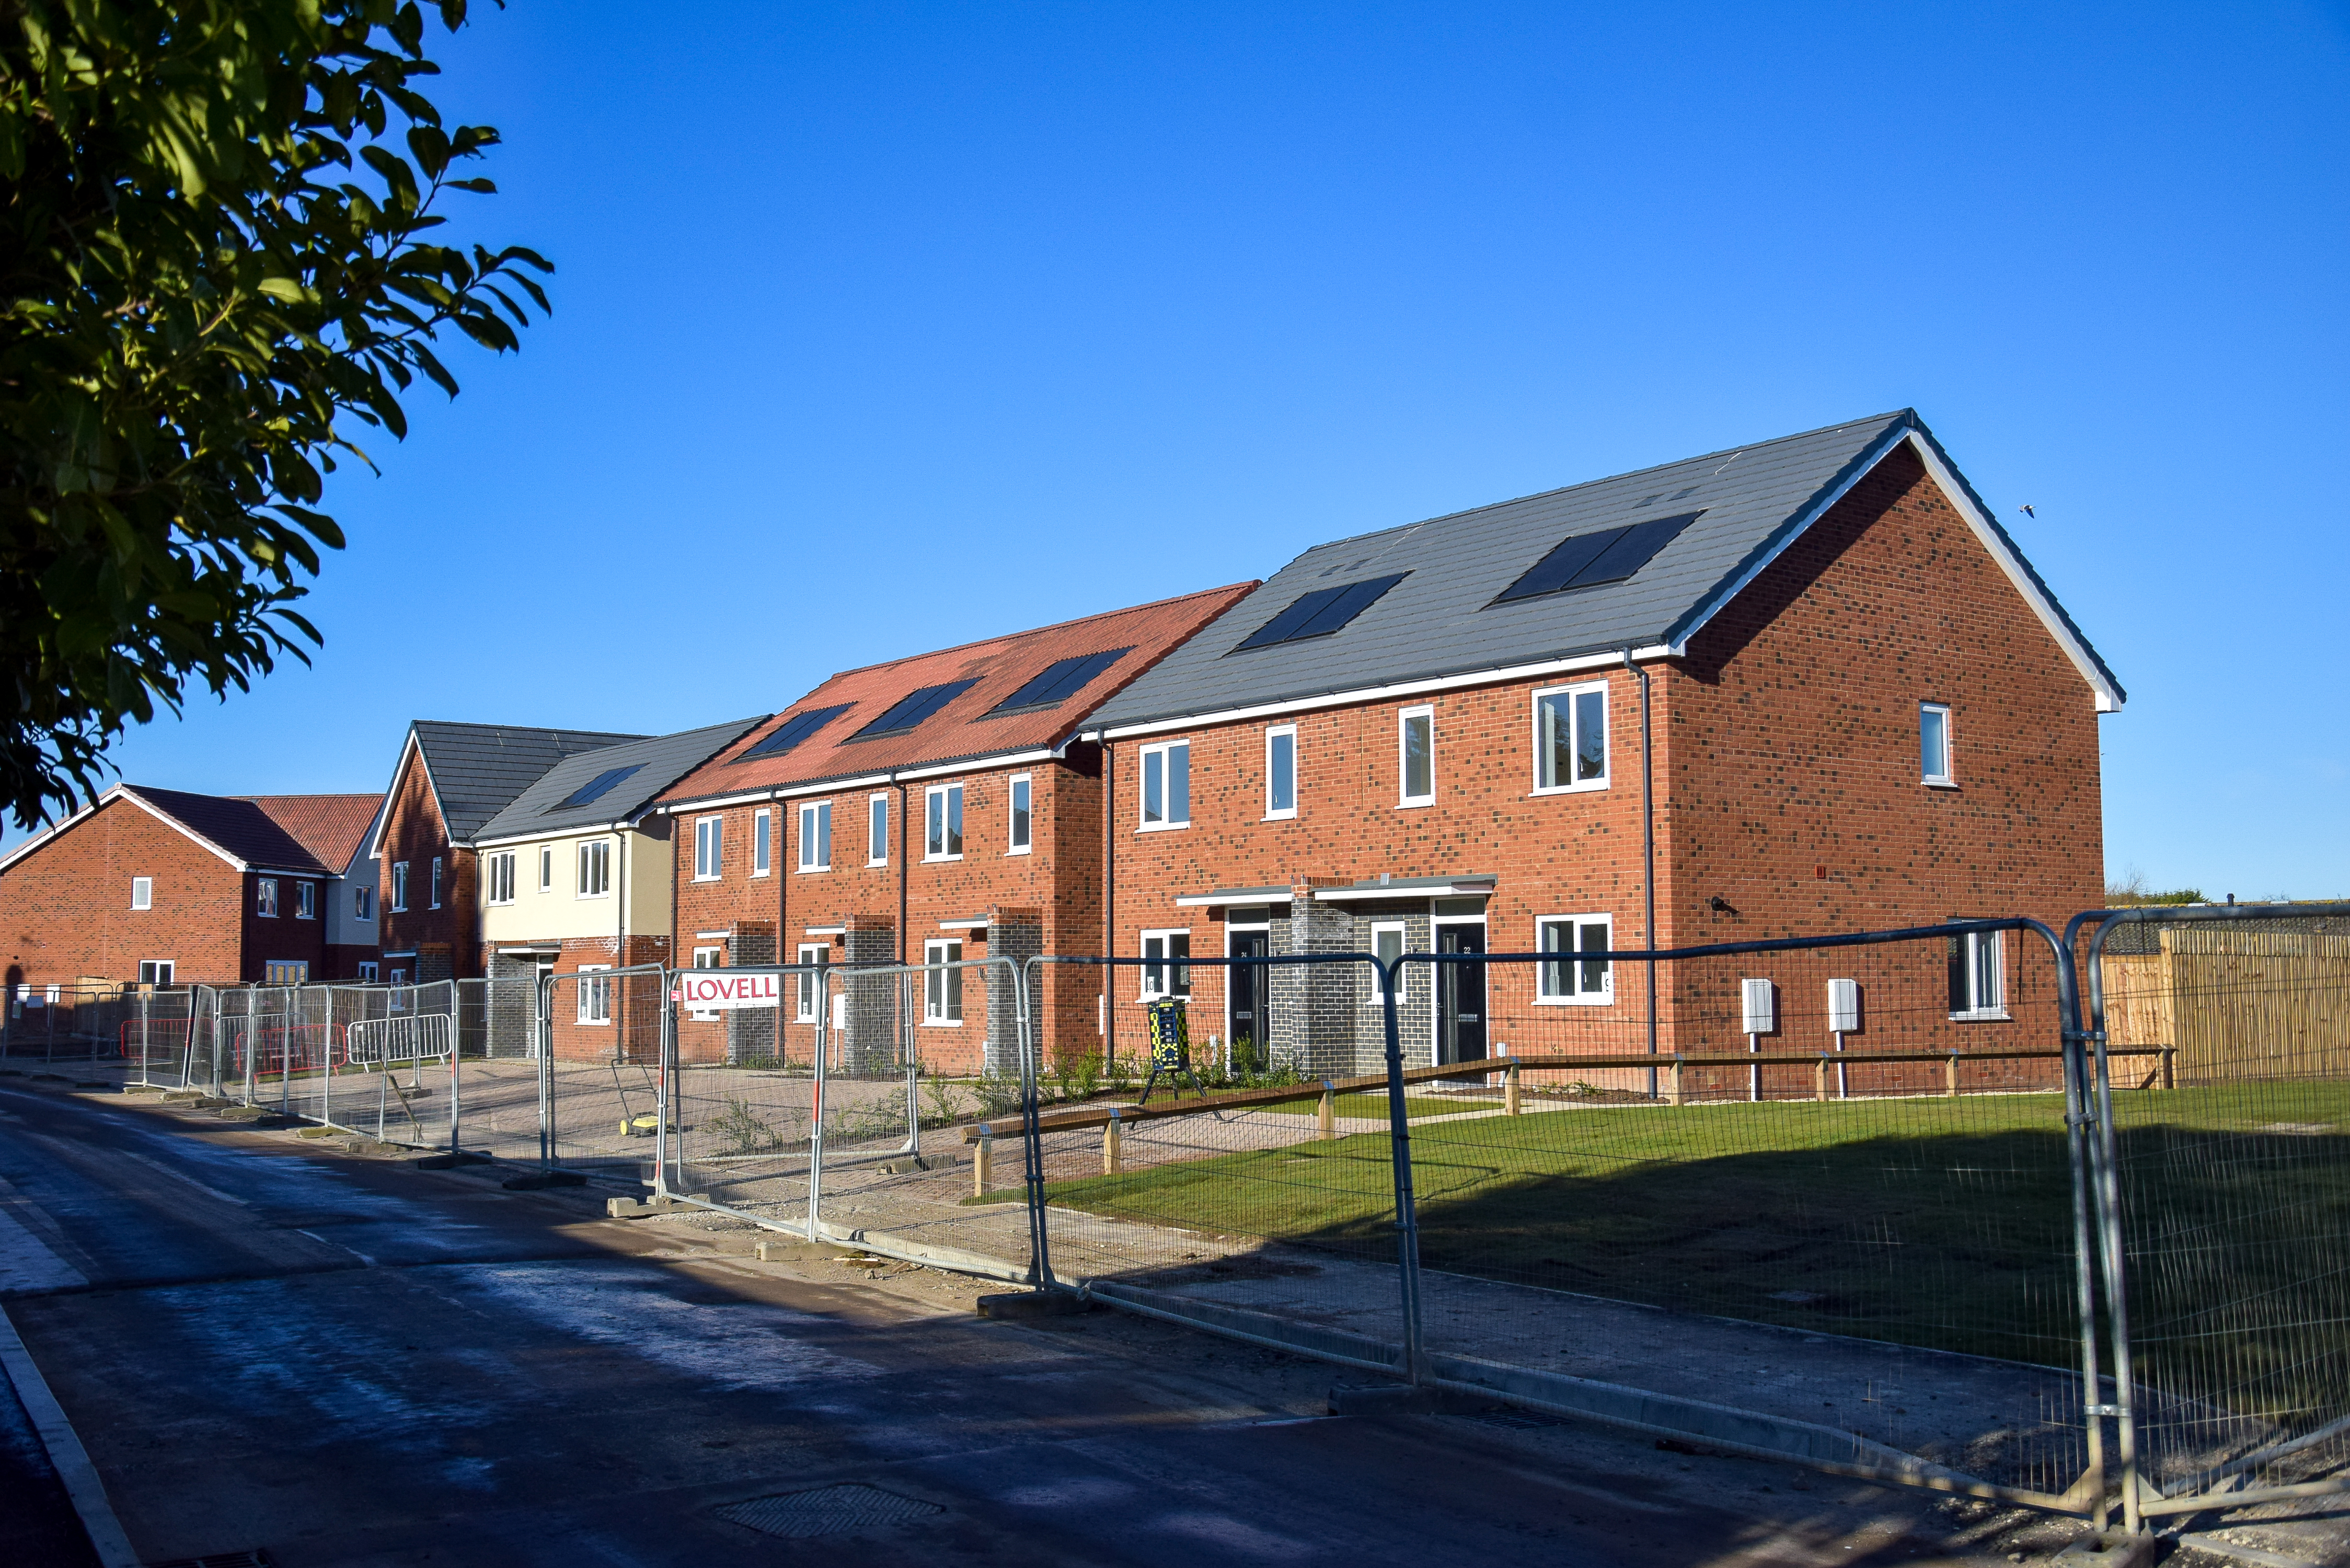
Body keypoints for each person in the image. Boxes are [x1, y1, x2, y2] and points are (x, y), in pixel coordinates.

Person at [1137, 995, 1204, 1103]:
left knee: (1176, 1039)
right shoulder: (1160, 1012)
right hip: (1169, 1057)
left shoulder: (1176, 1011)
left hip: (1178, 1057)